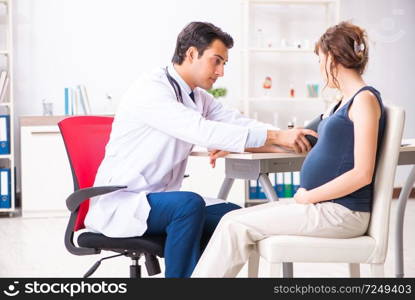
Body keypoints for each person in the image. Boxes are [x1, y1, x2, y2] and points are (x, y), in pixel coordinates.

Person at [84, 21, 317, 278]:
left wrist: (287, 140)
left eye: (224, 64)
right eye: (216, 61)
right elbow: (200, 130)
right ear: (192, 54)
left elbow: (237, 123)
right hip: (123, 201)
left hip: (157, 200)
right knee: (189, 204)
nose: (221, 72)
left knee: (234, 217)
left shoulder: (197, 97)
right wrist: (276, 136)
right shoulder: (152, 89)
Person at [192, 21, 386, 277]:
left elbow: (362, 174)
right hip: (322, 207)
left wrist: (309, 197)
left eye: (320, 59)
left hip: (340, 212)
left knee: (234, 225)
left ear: (332, 58)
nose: (320, 68)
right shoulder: (340, 104)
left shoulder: (364, 100)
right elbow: (295, 144)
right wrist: (235, 146)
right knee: (232, 221)